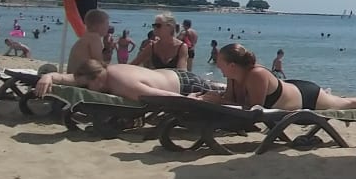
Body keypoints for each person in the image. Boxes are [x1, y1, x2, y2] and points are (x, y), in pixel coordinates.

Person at [197, 43, 356, 113]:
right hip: (289, 88)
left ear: (232, 65)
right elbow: (232, 101)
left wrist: (220, 102)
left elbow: (254, 110)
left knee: (348, 103)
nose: (217, 65)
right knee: (342, 101)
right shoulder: (232, 76)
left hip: (305, 96)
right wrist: (214, 98)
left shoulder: (256, 74)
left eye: (220, 63)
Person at [34, 59, 219, 100]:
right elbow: (67, 78)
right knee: (215, 86)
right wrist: (47, 76)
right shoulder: (100, 72)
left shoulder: (123, 83)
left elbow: (160, 95)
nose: (85, 88)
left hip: (185, 85)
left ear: (96, 79)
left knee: (220, 92)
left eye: (86, 86)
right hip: (169, 75)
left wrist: (188, 99)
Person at [66, 9, 111, 73]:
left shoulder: (86, 37)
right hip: (80, 76)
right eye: (107, 24)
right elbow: (99, 62)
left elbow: (98, 62)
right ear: (97, 26)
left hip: (76, 74)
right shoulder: (94, 37)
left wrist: (107, 47)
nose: (108, 27)